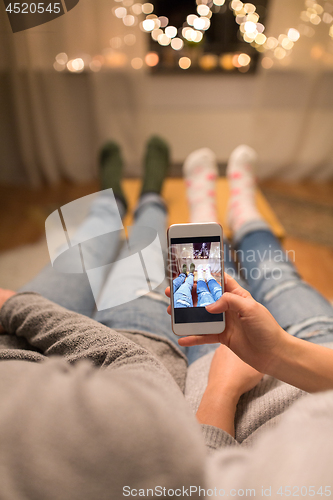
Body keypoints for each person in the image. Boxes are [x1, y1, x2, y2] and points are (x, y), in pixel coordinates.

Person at [0, 141, 333, 499]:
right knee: (274, 275)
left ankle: (142, 203)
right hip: (310, 351)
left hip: (216, 379)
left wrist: (234, 381)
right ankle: (232, 209)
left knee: (155, 267)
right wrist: (278, 353)